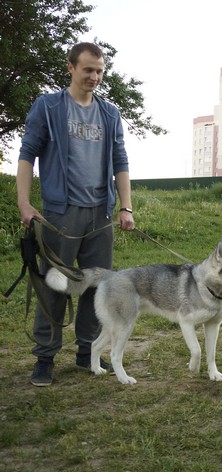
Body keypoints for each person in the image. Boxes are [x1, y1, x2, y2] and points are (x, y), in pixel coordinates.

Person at [17, 42, 135, 387]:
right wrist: (24, 204)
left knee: (96, 286)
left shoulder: (110, 113)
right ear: (70, 68)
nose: (94, 77)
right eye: (87, 70)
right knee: (54, 285)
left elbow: (121, 162)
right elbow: (27, 155)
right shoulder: (49, 106)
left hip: (101, 214)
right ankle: (45, 357)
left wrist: (125, 206)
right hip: (60, 212)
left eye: (99, 71)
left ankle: (87, 353)